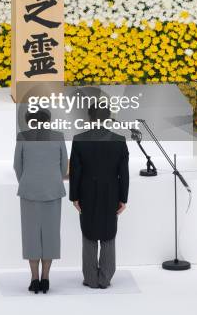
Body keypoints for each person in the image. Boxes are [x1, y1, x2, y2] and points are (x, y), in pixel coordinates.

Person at [69, 103, 129, 289]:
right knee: (109, 234)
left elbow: (75, 172)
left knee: (88, 234)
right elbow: (123, 173)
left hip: (86, 192)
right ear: (108, 117)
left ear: (89, 117)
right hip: (111, 192)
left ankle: (90, 278)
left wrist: (74, 196)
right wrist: (123, 198)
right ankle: (105, 278)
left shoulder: (79, 139)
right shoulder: (119, 140)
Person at [14, 109, 68, 294]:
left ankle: (34, 279)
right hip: (52, 190)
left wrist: (28, 181)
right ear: (49, 120)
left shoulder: (22, 137)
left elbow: (17, 166)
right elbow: (63, 166)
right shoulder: (58, 136)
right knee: (50, 236)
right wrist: (53, 179)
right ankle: (46, 278)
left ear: (29, 121)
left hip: (29, 191)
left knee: (31, 237)